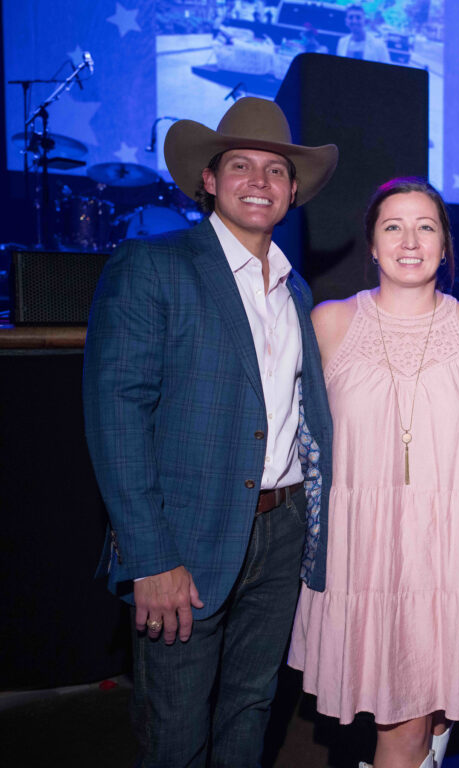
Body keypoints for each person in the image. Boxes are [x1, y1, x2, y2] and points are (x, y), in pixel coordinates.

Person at [82, 96, 338, 766]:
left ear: (292, 190)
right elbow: (116, 418)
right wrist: (149, 556)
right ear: (209, 180)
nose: (260, 180)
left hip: (281, 536)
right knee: (175, 730)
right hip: (184, 544)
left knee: (250, 713)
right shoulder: (155, 266)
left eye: (276, 170)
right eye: (242, 166)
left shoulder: (297, 291)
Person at [288, 178, 459, 768]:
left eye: (426, 227)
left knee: (420, 712)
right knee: (407, 714)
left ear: (445, 245)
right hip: (364, 549)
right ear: (371, 244)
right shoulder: (329, 324)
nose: (410, 241)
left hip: (447, 550)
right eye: (393, 226)